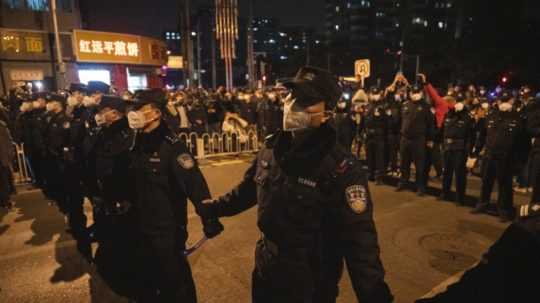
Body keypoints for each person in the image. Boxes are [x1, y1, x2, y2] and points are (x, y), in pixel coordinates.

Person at [198, 66, 393, 303]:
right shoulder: (272, 148)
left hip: (310, 282)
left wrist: (373, 294)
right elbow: (248, 190)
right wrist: (216, 208)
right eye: (291, 95)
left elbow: (359, 239)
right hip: (266, 269)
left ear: (327, 113)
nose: (293, 104)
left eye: (307, 100)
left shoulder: (340, 167)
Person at [127, 89, 223, 302]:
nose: (133, 113)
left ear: (155, 113)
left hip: (167, 230)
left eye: (139, 109)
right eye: (133, 108)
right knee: (150, 280)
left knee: (176, 283)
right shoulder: (137, 141)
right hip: (141, 225)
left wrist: (209, 217)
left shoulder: (172, 146)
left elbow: (194, 185)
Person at [91, 95, 139, 299]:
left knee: (124, 242)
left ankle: (129, 283)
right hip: (106, 195)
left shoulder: (126, 135)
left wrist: (123, 198)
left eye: (104, 111)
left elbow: (127, 171)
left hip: (121, 199)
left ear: (114, 113)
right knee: (112, 239)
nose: (100, 115)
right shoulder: (104, 133)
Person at [472, 91, 525, 222]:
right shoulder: (491, 116)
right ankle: (482, 204)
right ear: (499, 101)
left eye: (507, 100)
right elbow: (483, 135)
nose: (504, 103)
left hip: (506, 158)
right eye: (503, 100)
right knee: (486, 182)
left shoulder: (517, 118)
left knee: (505, 185)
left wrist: (520, 162)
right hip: (489, 155)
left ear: (512, 102)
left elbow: (522, 142)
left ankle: (504, 210)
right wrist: (477, 150)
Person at [397, 84, 434, 196]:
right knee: (404, 162)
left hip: (418, 140)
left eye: (417, 92)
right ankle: (403, 182)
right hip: (405, 139)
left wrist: (430, 139)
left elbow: (431, 125)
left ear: (421, 94)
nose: (415, 95)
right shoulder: (405, 105)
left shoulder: (426, 107)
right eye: (413, 92)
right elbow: (401, 121)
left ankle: (420, 186)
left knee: (419, 165)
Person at [439, 96, 474, 204]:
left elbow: (470, 136)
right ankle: (445, 193)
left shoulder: (465, 116)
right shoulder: (447, 115)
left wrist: (468, 151)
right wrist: (442, 144)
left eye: (447, 103)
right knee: (447, 172)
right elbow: (442, 131)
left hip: (460, 148)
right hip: (448, 147)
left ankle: (460, 197)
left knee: (459, 174)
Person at [363, 86, 388, 185]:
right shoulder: (368, 106)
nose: (375, 96)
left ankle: (379, 177)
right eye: (373, 94)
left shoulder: (383, 106)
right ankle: (371, 174)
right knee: (370, 156)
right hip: (369, 134)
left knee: (379, 157)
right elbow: (364, 121)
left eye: (376, 94)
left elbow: (386, 122)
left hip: (379, 134)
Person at [0, 117, 15, 209]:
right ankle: (5, 201)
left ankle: (5, 200)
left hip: (2, 158)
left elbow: (8, 142)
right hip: (3, 158)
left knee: (3, 180)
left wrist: (9, 155)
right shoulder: (2, 125)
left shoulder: (2, 125)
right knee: (3, 180)